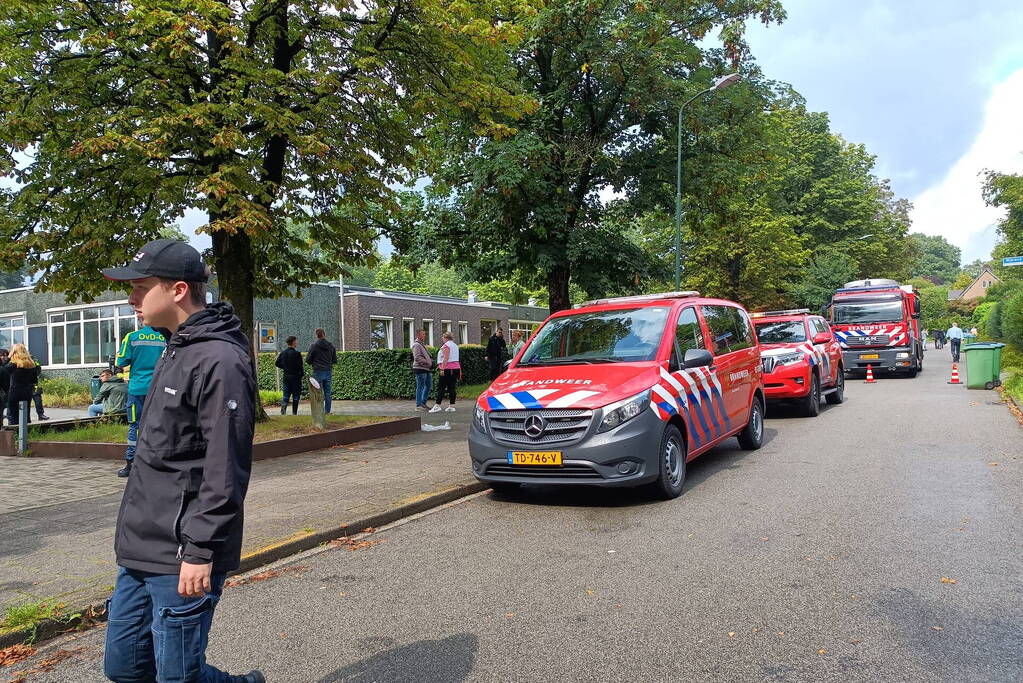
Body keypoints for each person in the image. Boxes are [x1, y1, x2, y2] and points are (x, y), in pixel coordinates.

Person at [100, 238, 263, 683]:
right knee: (126, 668)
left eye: (139, 286)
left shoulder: (220, 359)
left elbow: (225, 466)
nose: (131, 297)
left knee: (177, 676)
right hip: (140, 548)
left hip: (183, 554)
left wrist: (200, 550)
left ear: (176, 290)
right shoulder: (175, 346)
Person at [114, 322, 167, 477]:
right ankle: (156, 462)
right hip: (158, 388)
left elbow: (121, 361)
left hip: (137, 389)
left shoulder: (132, 337)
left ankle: (131, 464)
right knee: (158, 425)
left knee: (135, 426)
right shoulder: (165, 337)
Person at [4, 344, 40, 427]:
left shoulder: (13, 365)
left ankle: (15, 435)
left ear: (14, 353)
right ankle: (27, 433)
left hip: (14, 392)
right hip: (27, 392)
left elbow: (2, 369)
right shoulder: (32, 365)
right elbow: (34, 380)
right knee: (26, 414)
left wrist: (8, 357)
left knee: (13, 415)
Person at [306, 328, 337, 414]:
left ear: (317, 336)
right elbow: (334, 360)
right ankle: (327, 411)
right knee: (327, 393)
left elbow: (308, 360)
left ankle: (319, 411)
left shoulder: (313, 346)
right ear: (324, 334)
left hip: (317, 371)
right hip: (328, 371)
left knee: (317, 392)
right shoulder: (331, 346)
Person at [430, 332, 460, 413]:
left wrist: (442, 369)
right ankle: (451, 406)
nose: (442, 339)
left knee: (441, 387)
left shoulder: (446, 345)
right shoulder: (455, 345)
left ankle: (437, 405)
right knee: (452, 387)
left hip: (447, 369)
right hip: (455, 368)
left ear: (446, 338)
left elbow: (446, 358)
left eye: (443, 337)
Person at [274, 335, 303, 415]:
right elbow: (300, 367)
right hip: (296, 377)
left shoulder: (283, 353)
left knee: (286, 395)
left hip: (286, 376)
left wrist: (285, 367)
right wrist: (301, 375)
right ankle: (294, 413)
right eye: (296, 341)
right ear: (293, 342)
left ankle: (283, 412)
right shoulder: (297, 354)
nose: (296, 343)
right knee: (296, 396)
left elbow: (277, 363)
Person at [411, 328, 433, 411]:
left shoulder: (421, 344)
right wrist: (428, 362)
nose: (425, 335)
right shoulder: (416, 345)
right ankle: (418, 405)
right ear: (418, 335)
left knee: (429, 386)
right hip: (420, 368)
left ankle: (423, 403)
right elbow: (417, 358)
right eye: (423, 334)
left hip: (426, 369)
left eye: (424, 334)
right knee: (420, 386)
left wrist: (430, 361)